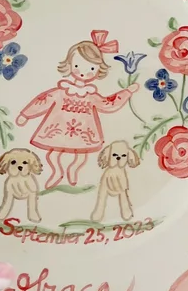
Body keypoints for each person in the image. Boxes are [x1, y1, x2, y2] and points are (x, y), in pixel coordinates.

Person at [16, 38, 137, 190]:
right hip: (58, 129)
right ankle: (57, 172)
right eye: (78, 66)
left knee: (81, 156)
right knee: (54, 154)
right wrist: (25, 115)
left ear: (98, 70)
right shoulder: (61, 91)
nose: (84, 72)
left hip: (83, 132)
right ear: (70, 65)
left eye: (91, 68)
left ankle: (73, 170)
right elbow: (43, 101)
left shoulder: (91, 95)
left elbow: (108, 104)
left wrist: (127, 92)